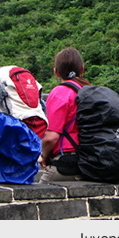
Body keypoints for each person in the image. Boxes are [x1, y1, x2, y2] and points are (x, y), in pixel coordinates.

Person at [38, 47, 90, 182]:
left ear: (56, 72)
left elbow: (51, 137)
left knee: (37, 197)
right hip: (90, 162)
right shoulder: (89, 92)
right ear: (82, 69)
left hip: (67, 162)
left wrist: (43, 156)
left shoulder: (60, 92)